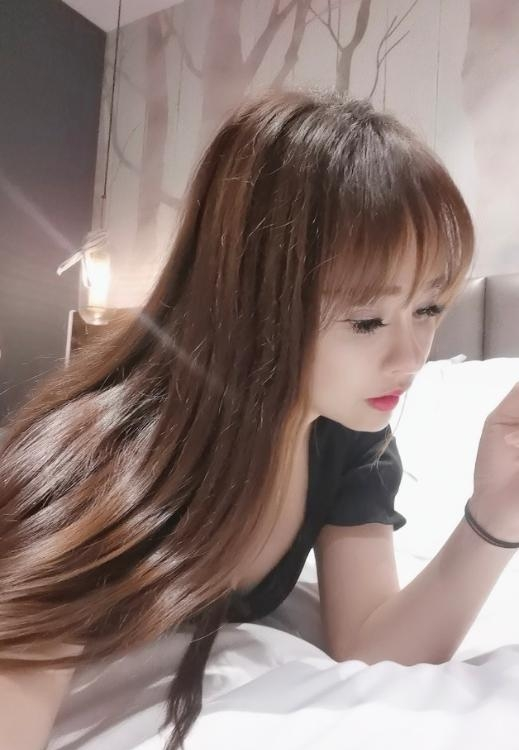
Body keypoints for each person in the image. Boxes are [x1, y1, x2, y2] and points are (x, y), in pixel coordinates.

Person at [0, 86, 476, 749]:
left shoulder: (351, 439)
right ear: (253, 299)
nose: (412, 356)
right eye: (367, 320)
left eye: (429, 309)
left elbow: (370, 641)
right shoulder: (110, 456)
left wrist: (495, 515)